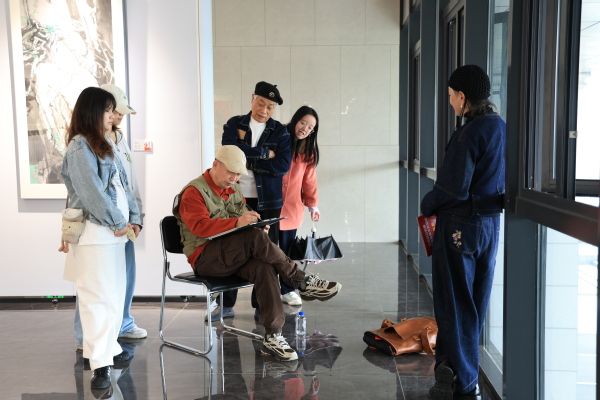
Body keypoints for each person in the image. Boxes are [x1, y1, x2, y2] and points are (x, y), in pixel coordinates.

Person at [173, 145, 341, 361]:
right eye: (231, 172)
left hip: (231, 255)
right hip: (205, 258)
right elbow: (200, 227)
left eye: (238, 174)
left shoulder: (234, 188)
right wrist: (240, 223)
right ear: (215, 165)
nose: (234, 178)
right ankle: (301, 280)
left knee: (264, 266)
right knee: (253, 238)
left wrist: (258, 225)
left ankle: (273, 335)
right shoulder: (193, 192)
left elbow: (243, 216)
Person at [421, 65, 505, 400]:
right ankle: (451, 369)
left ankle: (465, 380)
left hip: (460, 225)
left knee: (454, 302)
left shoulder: (468, 133)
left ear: (463, 96)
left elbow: (453, 188)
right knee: (475, 302)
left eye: (451, 96)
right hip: (490, 226)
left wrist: (428, 203)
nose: (450, 102)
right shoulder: (501, 127)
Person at [60, 87, 142, 390]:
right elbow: (91, 193)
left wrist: (133, 218)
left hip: (115, 234)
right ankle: (100, 365)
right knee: (97, 298)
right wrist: (120, 221)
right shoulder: (79, 146)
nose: (113, 115)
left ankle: (108, 349)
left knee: (114, 297)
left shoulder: (104, 143)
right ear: (92, 111)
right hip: (97, 234)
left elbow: (123, 185)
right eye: (108, 110)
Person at [207, 81, 292, 321]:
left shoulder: (281, 132)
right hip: (234, 198)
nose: (264, 110)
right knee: (231, 249)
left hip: (269, 201)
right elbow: (228, 151)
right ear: (253, 98)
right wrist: (265, 154)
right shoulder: (235, 124)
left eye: (270, 106)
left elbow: (283, 165)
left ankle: (261, 305)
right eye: (261, 103)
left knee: (267, 252)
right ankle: (226, 304)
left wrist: (245, 156)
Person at [278, 106, 321, 305]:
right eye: (303, 123)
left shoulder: (307, 151)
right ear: (295, 120)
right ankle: (267, 290)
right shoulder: (278, 137)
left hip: (291, 209)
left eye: (310, 127)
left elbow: (309, 180)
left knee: (287, 252)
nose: (305, 128)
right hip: (269, 207)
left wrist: (313, 205)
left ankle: (287, 290)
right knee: (267, 252)